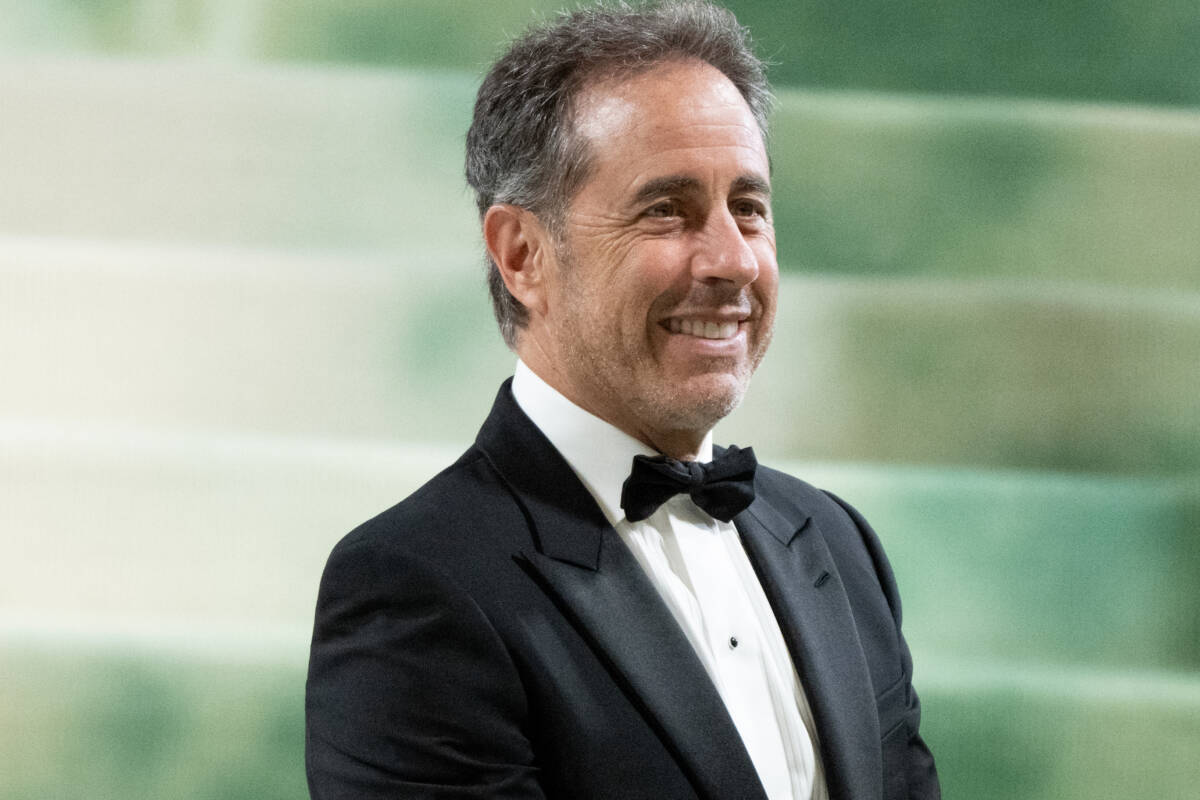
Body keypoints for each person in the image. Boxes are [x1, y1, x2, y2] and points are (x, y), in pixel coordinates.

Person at [305, 2, 940, 798]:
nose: (734, 260)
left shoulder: (839, 546)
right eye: (666, 210)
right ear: (522, 254)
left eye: (749, 208)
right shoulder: (414, 587)